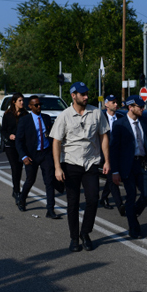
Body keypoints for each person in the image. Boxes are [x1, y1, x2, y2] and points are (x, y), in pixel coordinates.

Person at [51, 82, 110, 253]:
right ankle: (74, 238)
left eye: (87, 94)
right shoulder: (64, 116)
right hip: (71, 163)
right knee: (73, 202)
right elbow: (56, 141)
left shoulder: (96, 113)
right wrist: (57, 167)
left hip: (91, 162)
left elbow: (104, 136)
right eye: (82, 94)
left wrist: (107, 161)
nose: (86, 97)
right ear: (73, 95)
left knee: (92, 199)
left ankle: (85, 232)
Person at [110, 95, 147, 239]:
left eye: (143, 106)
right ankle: (133, 227)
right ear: (130, 107)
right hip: (127, 165)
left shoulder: (144, 121)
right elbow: (114, 149)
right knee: (131, 195)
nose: (143, 109)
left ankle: (133, 211)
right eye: (140, 107)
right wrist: (115, 171)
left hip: (142, 163)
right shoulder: (119, 124)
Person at [15, 95, 62, 220]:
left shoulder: (46, 118)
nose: (39, 106)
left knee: (49, 181)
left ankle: (50, 209)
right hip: (31, 155)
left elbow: (51, 136)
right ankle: (22, 199)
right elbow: (18, 141)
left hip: (45, 153)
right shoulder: (24, 120)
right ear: (30, 106)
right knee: (30, 180)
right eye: (36, 105)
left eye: (40, 104)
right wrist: (23, 156)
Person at [1, 93, 28, 204]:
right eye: (20, 101)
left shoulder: (25, 114)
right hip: (10, 146)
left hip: (21, 146)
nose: (22, 103)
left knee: (19, 167)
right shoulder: (7, 115)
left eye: (23, 101)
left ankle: (16, 189)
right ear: (14, 102)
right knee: (15, 167)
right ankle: (17, 191)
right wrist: (9, 136)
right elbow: (3, 130)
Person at [99, 94, 124, 213]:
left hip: (119, 152)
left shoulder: (120, 117)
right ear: (106, 104)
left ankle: (103, 198)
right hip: (106, 153)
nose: (116, 104)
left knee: (111, 178)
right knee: (112, 178)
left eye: (116, 102)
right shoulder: (101, 117)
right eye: (113, 102)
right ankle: (120, 206)